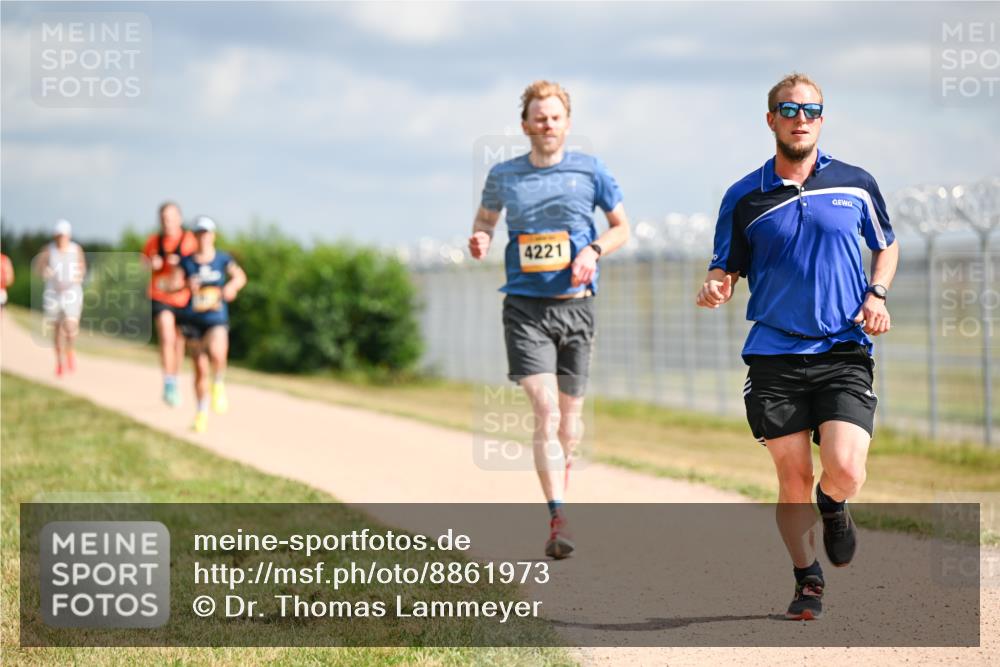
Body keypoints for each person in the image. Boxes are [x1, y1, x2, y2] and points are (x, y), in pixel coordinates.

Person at [696, 73, 899, 620]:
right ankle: (807, 578)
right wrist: (717, 283)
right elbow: (725, 263)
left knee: (846, 469)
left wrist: (876, 293)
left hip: (842, 349)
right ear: (771, 120)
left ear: (822, 118)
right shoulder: (744, 195)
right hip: (774, 355)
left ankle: (835, 506)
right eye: (788, 110)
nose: (800, 118)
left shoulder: (856, 183)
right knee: (791, 479)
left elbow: (886, 245)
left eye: (811, 109)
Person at [469, 80, 631, 559]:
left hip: (577, 306)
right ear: (525, 125)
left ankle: (564, 479)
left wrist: (593, 250)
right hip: (524, 307)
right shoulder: (504, 175)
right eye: (539, 117)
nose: (547, 124)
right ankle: (557, 514)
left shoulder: (591, 170)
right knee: (546, 410)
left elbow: (622, 227)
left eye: (555, 116)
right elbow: (483, 223)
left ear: (567, 123)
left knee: (569, 422)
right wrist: (478, 239)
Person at [178, 216, 246, 433]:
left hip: (216, 319)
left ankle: (218, 383)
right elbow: (172, 284)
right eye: (199, 233)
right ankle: (201, 413)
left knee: (218, 354)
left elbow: (240, 277)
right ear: (194, 236)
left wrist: (232, 287)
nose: (203, 237)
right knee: (199, 370)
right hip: (193, 320)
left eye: (207, 233)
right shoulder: (186, 262)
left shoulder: (223, 259)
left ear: (213, 235)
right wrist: (185, 284)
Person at [142, 202, 197, 406]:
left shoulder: (189, 241)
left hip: (182, 297)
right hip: (160, 294)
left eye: (171, 217)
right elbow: (143, 263)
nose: (167, 222)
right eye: (164, 218)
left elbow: (197, 266)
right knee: (166, 335)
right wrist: (151, 264)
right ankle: (168, 381)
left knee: (178, 341)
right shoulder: (153, 242)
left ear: (179, 219)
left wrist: (182, 266)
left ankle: (174, 378)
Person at [34, 219, 87, 376]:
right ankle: (59, 362)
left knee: (71, 327)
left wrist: (79, 275)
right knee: (57, 330)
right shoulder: (48, 250)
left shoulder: (76, 249)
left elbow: (82, 268)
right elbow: (39, 267)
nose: (61, 238)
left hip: (72, 292)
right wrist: (44, 271)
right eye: (58, 235)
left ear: (68, 236)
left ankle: (70, 351)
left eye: (63, 235)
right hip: (54, 293)